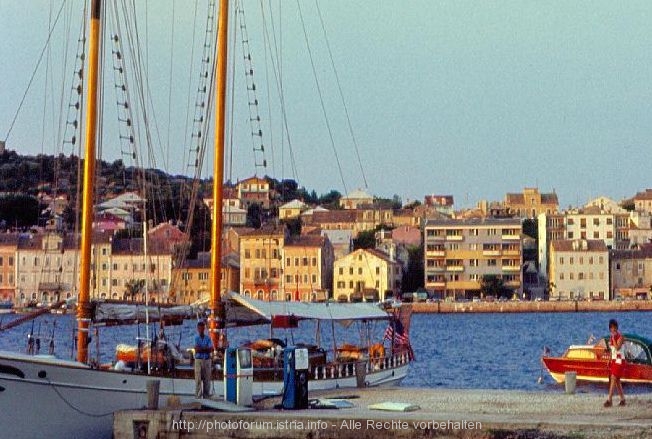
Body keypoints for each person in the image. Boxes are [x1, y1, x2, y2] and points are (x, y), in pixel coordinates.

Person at [604, 318, 625, 407]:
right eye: (611, 328)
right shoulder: (611, 337)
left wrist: (613, 338)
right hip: (614, 360)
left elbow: (617, 348)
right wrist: (609, 359)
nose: (613, 329)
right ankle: (622, 399)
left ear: (616, 327)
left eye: (614, 327)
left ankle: (609, 399)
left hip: (620, 360)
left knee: (613, 378)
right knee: (617, 380)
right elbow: (612, 350)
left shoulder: (620, 337)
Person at [194, 320, 214, 399]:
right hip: (198, 360)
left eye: (202, 328)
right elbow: (197, 349)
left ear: (204, 329)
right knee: (198, 379)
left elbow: (211, 349)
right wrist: (205, 349)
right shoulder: (196, 338)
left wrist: (202, 349)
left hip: (207, 360)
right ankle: (198, 396)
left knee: (207, 380)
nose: (201, 330)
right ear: (197, 329)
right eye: (199, 328)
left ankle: (206, 396)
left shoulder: (208, 338)